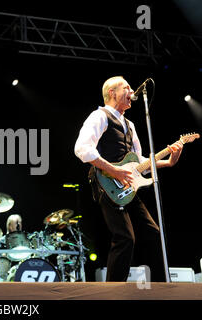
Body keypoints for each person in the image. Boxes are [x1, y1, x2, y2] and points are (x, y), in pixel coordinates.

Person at [74, 76, 183, 282]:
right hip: (106, 182)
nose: (132, 91)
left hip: (127, 184)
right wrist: (112, 170)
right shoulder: (99, 116)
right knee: (124, 237)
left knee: (153, 233)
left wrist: (167, 162)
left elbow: (139, 162)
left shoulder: (130, 125)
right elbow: (82, 149)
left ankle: (161, 287)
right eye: (127, 87)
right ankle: (114, 291)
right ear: (112, 93)